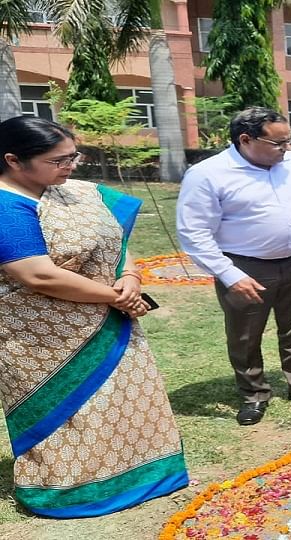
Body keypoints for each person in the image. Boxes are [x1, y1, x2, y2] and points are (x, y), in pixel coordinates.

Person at [0, 116, 188, 517]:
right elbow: (38, 275)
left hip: (107, 316)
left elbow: (115, 239)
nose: (71, 165)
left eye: (73, 155)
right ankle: (70, 492)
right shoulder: (6, 205)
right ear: (14, 161)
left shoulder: (78, 193)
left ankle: (144, 476)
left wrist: (131, 276)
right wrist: (116, 298)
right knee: (75, 413)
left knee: (124, 400)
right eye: (58, 160)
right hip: (41, 339)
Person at [177, 107, 291, 427]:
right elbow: (194, 233)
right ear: (246, 140)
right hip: (243, 265)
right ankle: (254, 393)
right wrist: (229, 274)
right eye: (279, 143)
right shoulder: (207, 175)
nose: (288, 149)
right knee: (245, 334)